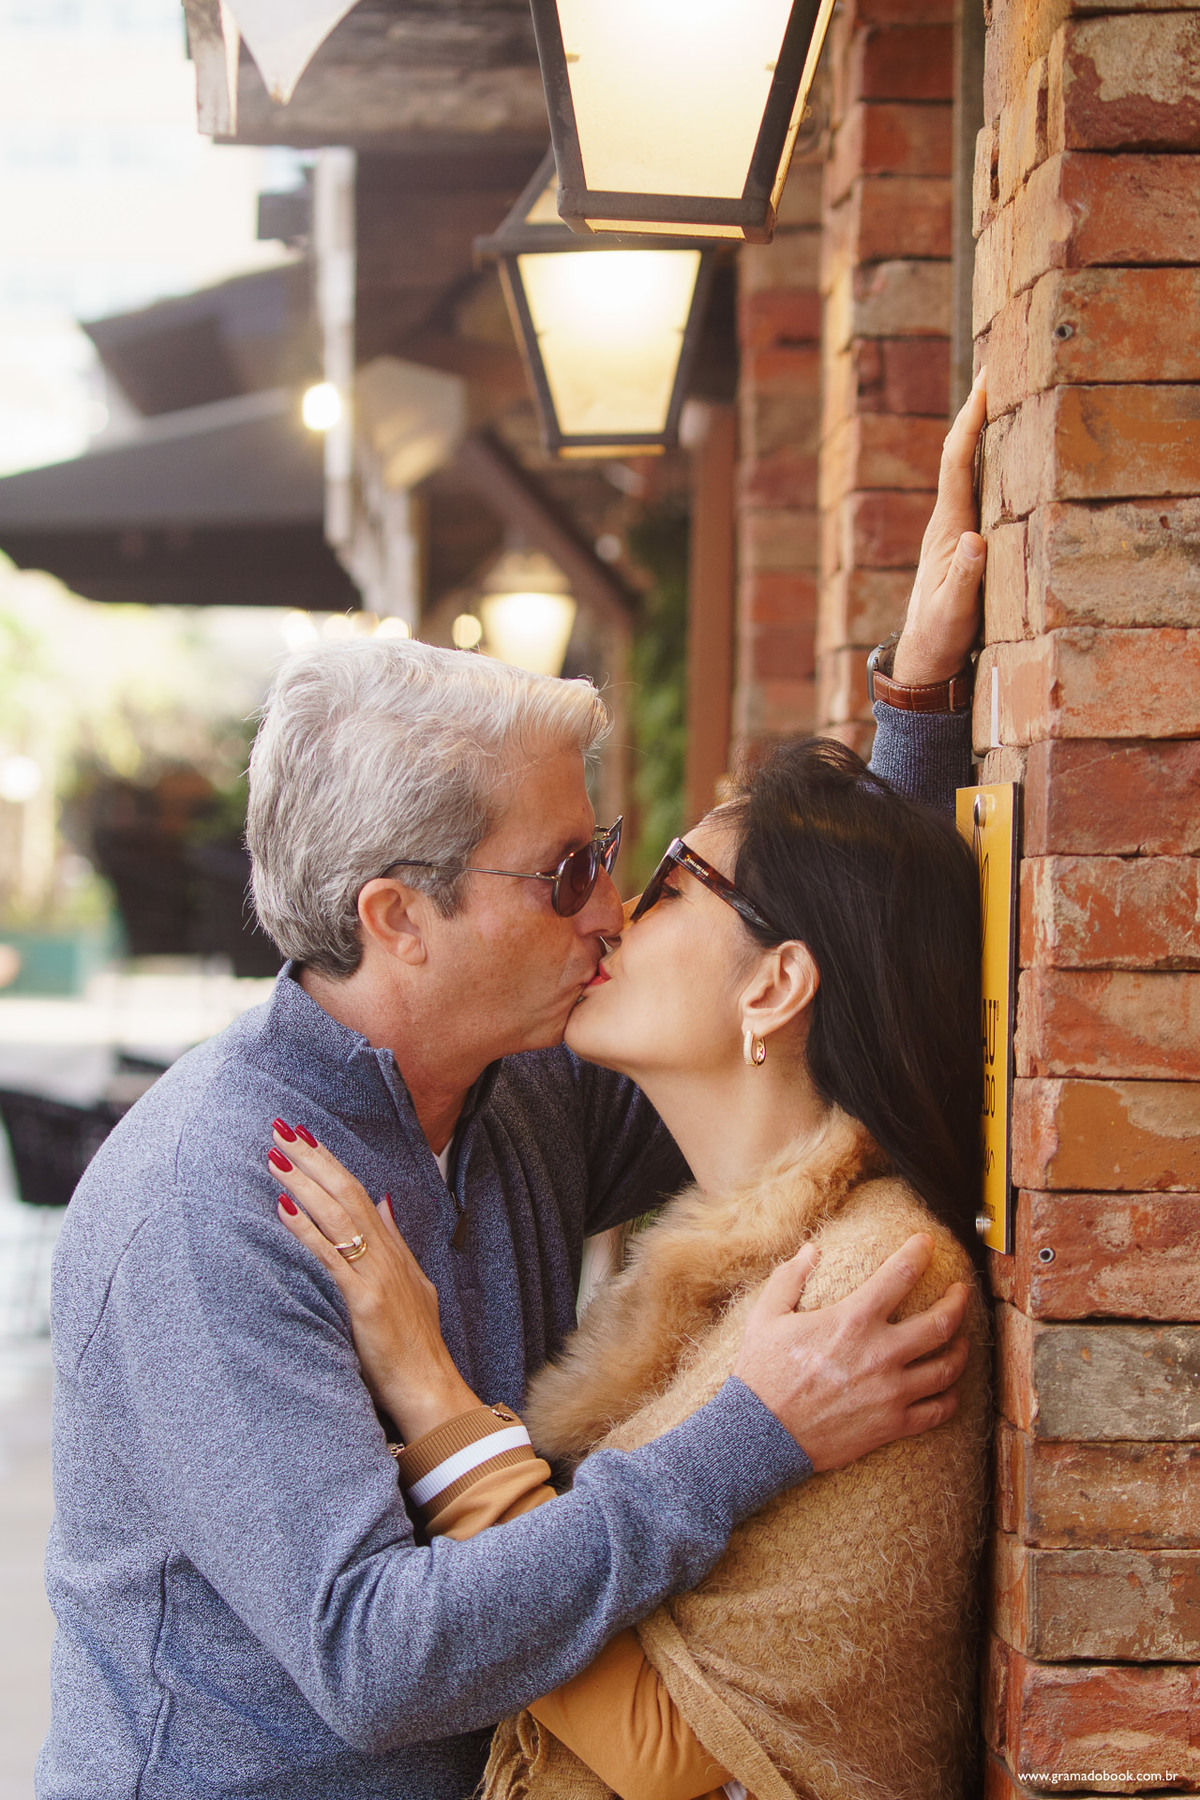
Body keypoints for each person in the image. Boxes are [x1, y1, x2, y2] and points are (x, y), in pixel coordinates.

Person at [39, 379, 989, 1800]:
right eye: (566, 873)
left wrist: (915, 699)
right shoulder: (213, 1201)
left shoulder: (520, 1090)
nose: (611, 908)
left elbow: (802, 991)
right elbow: (377, 1660)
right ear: (397, 919)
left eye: (610, 855)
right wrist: (751, 1438)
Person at [269, 733, 991, 1800]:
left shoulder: (871, 1284)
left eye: (669, 885)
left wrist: (426, 1384)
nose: (610, 915)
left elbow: (671, 1750)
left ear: (775, 986)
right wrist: (916, 708)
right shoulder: (743, 1245)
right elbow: (863, 918)